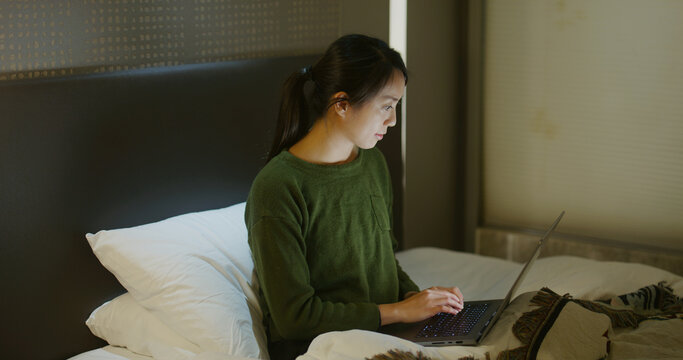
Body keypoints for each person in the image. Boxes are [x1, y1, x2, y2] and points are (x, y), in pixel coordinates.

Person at [245, 34, 464, 360]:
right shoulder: (278, 188)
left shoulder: (372, 163)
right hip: (321, 346)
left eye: (396, 107)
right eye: (386, 107)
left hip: (383, 335)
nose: (392, 121)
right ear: (342, 104)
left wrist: (420, 300)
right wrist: (399, 312)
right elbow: (295, 318)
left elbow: (384, 262)